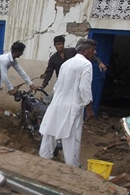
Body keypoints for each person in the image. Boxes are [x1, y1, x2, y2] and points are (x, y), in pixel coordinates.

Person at [38, 39, 97, 167]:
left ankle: (43, 161)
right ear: (84, 50)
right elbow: (85, 89)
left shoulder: (66, 63)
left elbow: (57, 86)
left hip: (56, 104)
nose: (95, 53)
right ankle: (72, 167)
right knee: (71, 138)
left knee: (50, 133)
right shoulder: (86, 65)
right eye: (93, 50)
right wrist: (89, 108)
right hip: (72, 106)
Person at [0, 41, 38, 125]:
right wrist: (11, 89)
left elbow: (21, 72)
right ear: (18, 51)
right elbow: (4, 76)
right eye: (22, 51)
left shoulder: (13, 61)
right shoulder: (5, 60)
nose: (22, 53)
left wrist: (31, 84)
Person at [40, 35, 106, 90]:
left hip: (75, 80)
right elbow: (49, 72)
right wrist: (43, 85)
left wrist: (99, 62)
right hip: (62, 81)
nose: (61, 46)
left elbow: (88, 55)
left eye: (62, 44)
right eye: (58, 44)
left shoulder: (72, 51)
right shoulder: (53, 58)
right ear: (54, 45)